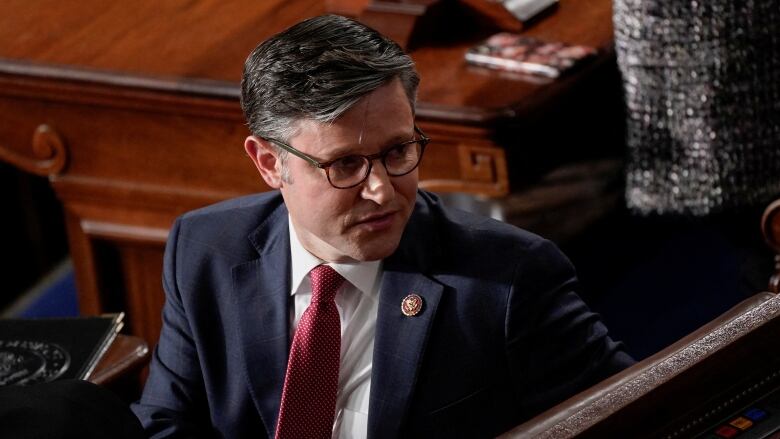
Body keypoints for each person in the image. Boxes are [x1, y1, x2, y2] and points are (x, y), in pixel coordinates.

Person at [131, 14, 633, 438]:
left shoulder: (508, 279)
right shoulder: (204, 250)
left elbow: (635, 416)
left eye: (398, 151)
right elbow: (166, 424)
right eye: (344, 165)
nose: (381, 190)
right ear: (268, 163)